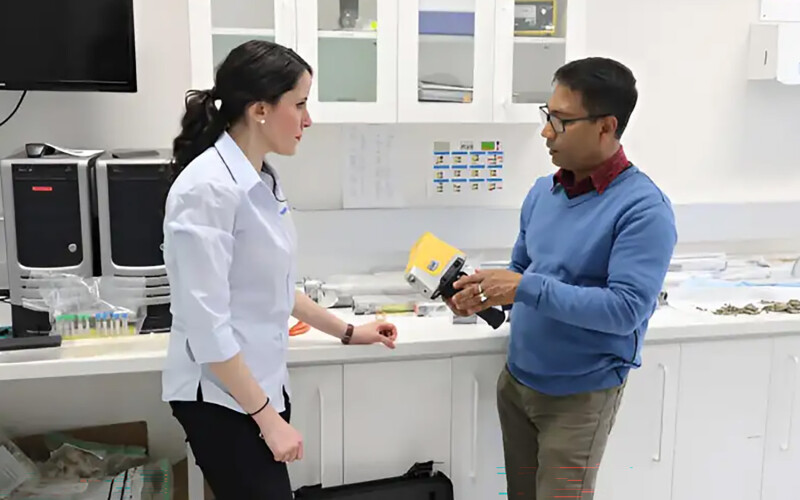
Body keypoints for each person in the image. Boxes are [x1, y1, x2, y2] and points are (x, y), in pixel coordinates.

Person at [161, 40, 399, 500]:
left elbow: (277, 285)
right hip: (221, 399)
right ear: (260, 110)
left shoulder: (260, 178)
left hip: (256, 387)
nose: (308, 120)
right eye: (300, 104)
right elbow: (206, 329)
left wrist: (350, 331)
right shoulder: (207, 190)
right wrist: (268, 420)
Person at [450, 57, 677, 498]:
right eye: (547, 116)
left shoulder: (643, 209)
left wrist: (522, 287)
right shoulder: (543, 192)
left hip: (579, 398)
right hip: (518, 383)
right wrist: (481, 293)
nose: (546, 131)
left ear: (606, 127)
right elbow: (522, 272)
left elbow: (624, 310)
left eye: (561, 121)